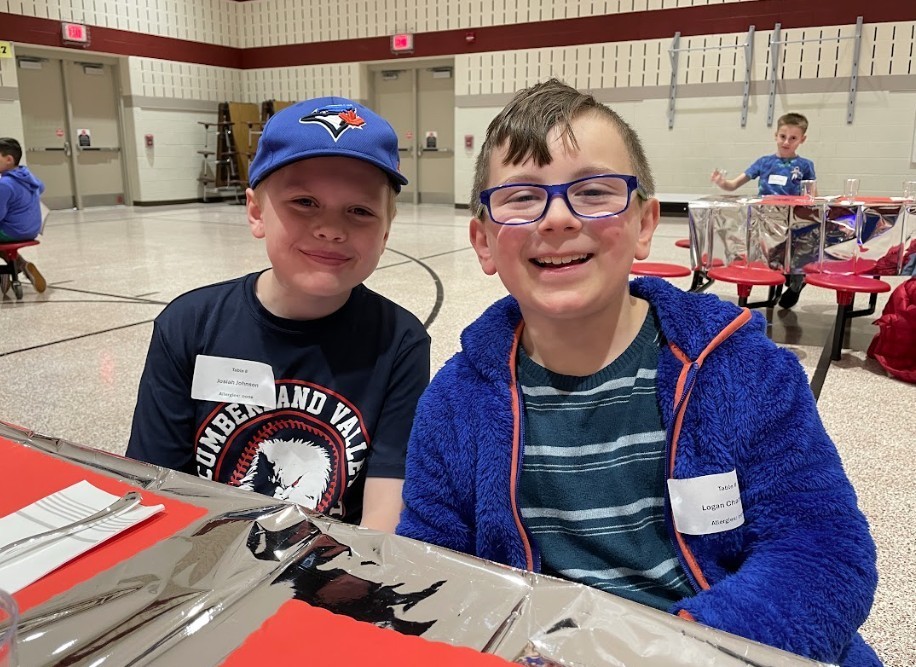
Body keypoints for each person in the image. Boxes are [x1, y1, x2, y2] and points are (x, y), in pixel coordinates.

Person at [397, 80, 880, 666]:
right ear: (484, 240)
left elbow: (822, 551)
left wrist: (673, 651)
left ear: (645, 223)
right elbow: (434, 578)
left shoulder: (744, 371)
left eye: (595, 192)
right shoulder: (455, 402)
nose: (556, 219)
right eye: (522, 197)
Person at [127, 97, 430, 532]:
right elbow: (157, 486)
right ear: (256, 212)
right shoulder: (189, 325)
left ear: (385, 230)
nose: (330, 228)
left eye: (360, 211)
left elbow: (385, 507)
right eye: (304, 202)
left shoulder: (400, 340)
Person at [710, 113, 816, 307]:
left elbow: (811, 195)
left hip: (791, 220)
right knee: (765, 255)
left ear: (802, 139)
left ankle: (796, 285)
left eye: (793, 138)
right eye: (783, 136)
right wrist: (722, 182)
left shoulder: (805, 166)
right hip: (765, 220)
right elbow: (733, 185)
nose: (786, 142)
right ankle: (777, 280)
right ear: (775, 135)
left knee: (797, 254)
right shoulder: (764, 163)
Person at [0, 137, 46, 294]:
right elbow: (41, 187)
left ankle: (6, 272)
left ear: (8, 159)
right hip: (31, 229)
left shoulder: (5, 184)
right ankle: (21, 266)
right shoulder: (26, 176)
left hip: (12, 231)